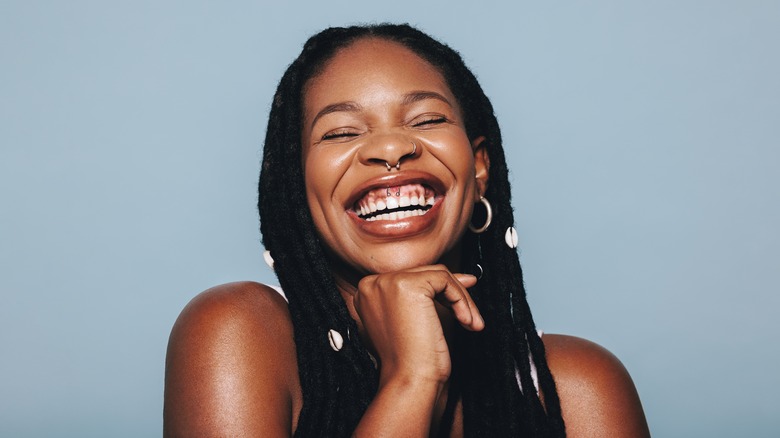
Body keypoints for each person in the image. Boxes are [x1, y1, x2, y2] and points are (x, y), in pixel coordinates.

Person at [163, 24, 650, 437]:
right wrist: (412, 380)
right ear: (296, 186)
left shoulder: (578, 390)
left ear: (479, 168)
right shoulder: (240, 334)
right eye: (341, 132)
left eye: (427, 119)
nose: (391, 148)